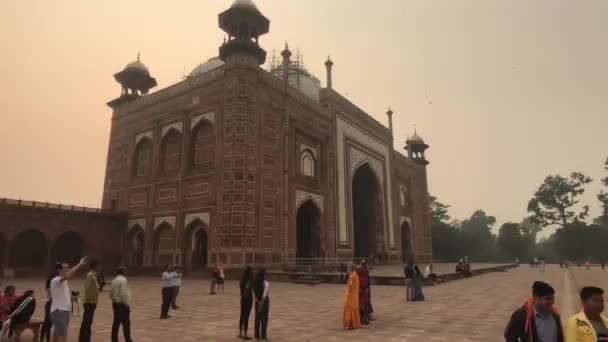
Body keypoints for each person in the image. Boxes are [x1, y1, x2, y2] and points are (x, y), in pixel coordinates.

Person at [49, 257, 88, 342]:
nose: (68, 269)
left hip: (64, 311)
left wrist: (72, 298)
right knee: (63, 338)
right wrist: (79, 264)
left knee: (56, 336)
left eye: (68, 267)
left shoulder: (64, 282)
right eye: (65, 267)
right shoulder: (55, 280)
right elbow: (67, 276)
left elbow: (63, 296)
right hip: (59, 311)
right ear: (59, 270)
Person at [79, 260, 100, 342]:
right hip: (89, 302)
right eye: (98, 266)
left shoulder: (94, 275)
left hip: (92, 302)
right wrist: (90, 300)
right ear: (95, 266)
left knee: (87, 321)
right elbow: (87, 289)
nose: (99, 267)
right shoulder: (90, 275)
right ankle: (84, 339)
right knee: (87, 322)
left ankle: (84, 338)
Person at [109, 266, 132, 342]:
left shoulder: (114, 280)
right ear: (123, 272)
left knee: (116, 323)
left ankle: (114, 339)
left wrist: (114, 299)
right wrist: (126, 303)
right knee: (126, 324)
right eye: (125, 270)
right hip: (122, 304)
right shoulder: (123, 280)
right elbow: (123, 293)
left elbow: (111, 293)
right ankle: (128, 339)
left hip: (115, 303)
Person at [41, 264, 60, 342]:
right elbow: (49, 289)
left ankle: (44, 338)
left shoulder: (53, 276)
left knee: (48, 323)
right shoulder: (54, 277)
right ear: (59, 269)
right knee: (48, 323)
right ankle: (46, 338)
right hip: (52, 302)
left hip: (53, 302)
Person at [343, 262, 361, 330]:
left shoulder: (352, 276)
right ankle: (355, 323)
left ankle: (349, 325)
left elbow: (350, 285)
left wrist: (349, 294)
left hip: (351, 296)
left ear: (350, 268)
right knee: (354, 308)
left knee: (349, 309)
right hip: (355, 295)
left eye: (348, 268)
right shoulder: (355, 275)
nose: (347, 270)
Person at [253, 269, 270, 341]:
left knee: (257, 319)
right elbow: (264, 295)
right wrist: (261, 304)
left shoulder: (255, 282)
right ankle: (263, 336)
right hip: (264, 302)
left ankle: (257, 336)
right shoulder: (265, 283)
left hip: (257, 302)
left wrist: (258, 303)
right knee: (264, 319)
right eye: (265, 274)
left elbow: (254, 294)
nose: (266, 276)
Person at [238, 266, 254, 340]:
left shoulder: (242, 279)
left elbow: (240, 285)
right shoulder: (249, 280)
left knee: (242, 315)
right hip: (248, 298)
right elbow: (248, 288)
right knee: (246, 316)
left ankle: (240, 333)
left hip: (243, 299)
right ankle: (245, 334)